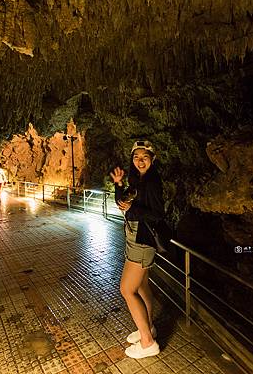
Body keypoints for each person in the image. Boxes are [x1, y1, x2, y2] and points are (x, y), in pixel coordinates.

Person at [110, 140, 164, 359]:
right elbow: (123, 203)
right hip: (134, 235)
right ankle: (148, 328)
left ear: (153, 158)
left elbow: (157, 215)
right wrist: (118, 184)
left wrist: (134, 208)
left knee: (127, 289)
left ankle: (148, 342)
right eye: (136, 157)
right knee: (141, 286)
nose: (140, 161)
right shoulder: (138, 180)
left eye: (144, 157)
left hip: (142, 239)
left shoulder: (152, 182)